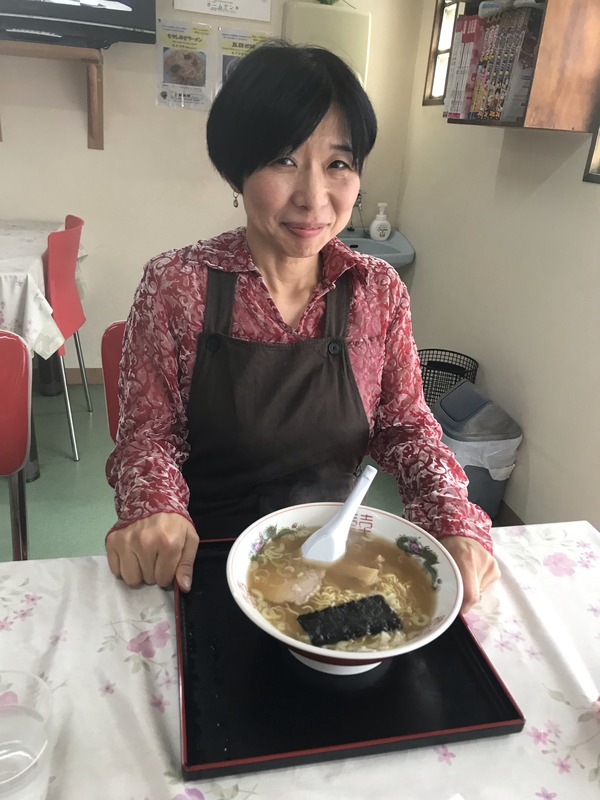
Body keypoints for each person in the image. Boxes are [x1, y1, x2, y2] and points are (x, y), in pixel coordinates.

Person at [105, 41, 500, 612]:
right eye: (284, 160)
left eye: (338, 164)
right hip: (205, 558)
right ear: (237, 170)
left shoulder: (377, 290)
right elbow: (149, 436)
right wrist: (154, 509)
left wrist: (452, 519)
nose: (314, 198)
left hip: (336, 558)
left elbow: (407, 428)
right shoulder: (176, 284)